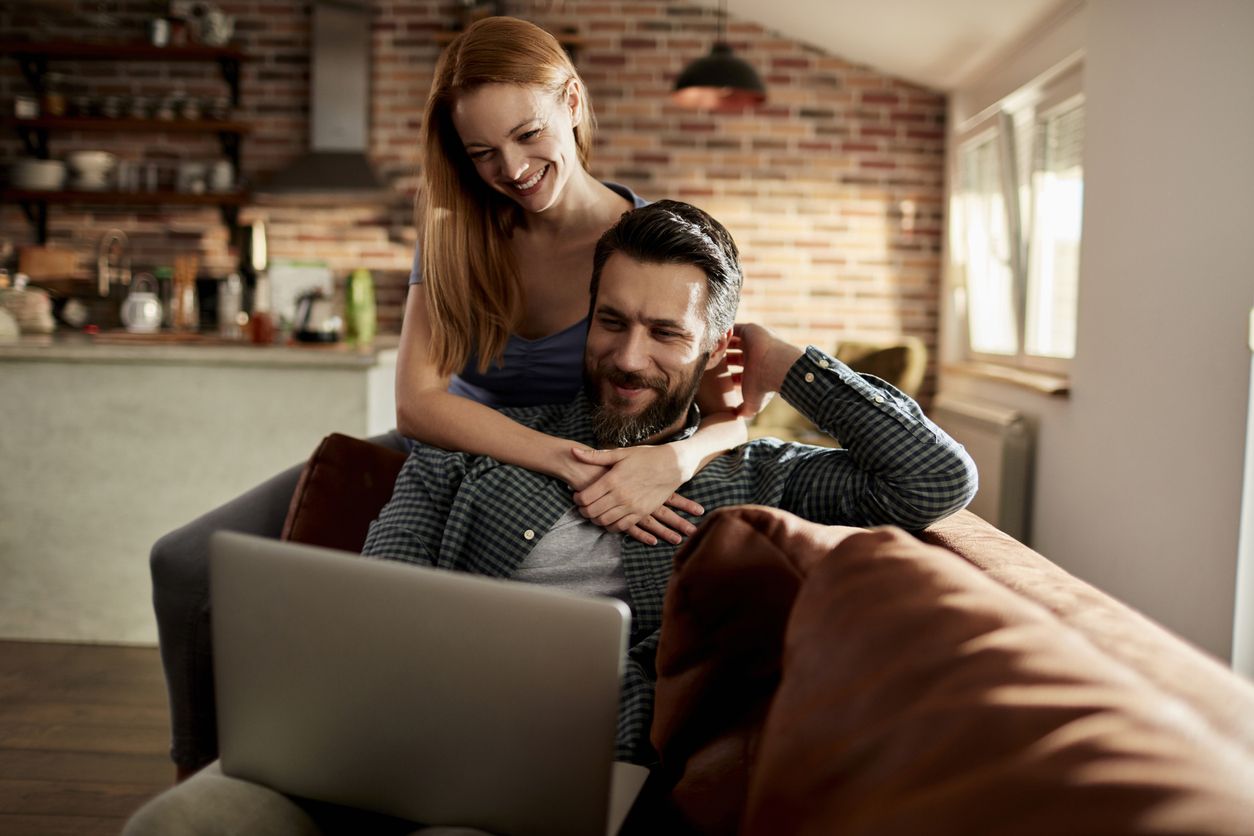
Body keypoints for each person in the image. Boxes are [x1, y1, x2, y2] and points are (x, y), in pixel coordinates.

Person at [125, 201, 977, 834]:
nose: (628, 357)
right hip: (392, 737)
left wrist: (785, 362)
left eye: (663, 334)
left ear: (716, 347)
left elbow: (934, 481)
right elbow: (381, 586)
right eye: (610, 322)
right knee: (179, 825)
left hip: (559, 780)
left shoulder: (757, 476)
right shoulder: (488, 443)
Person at [150, 17, 745, 780]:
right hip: (446, 452)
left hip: (549, 482)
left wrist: (677, 455)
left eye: (529, 134)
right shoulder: (455, 228)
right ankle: (208, 779)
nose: (515, 169)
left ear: (571, 100)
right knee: (184, 564)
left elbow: (737, 404)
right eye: (484, 153)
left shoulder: (650, 244)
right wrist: (567, 460)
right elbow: (419, 404)